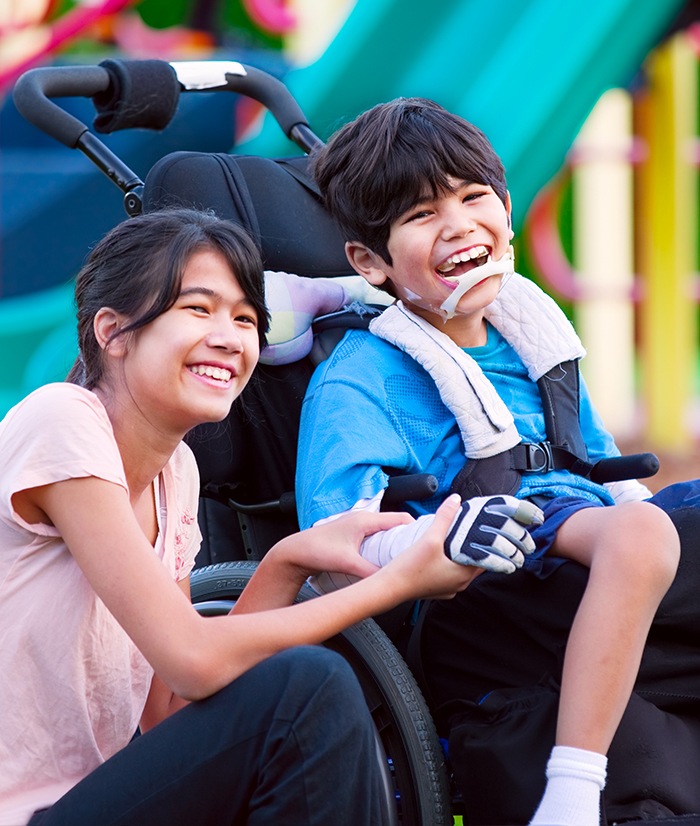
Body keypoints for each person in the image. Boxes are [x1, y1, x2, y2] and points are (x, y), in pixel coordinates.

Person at [0, 207, 504, 826]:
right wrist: (399, 583)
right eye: (198, 309)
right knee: (308, 688)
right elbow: (193, 656)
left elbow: (169, 708)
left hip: (87, 803)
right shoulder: (62, 420)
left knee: (302, 702)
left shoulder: (175, 473)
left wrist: (286, 562)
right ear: (113, 330)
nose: (230, 337)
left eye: (245, 318)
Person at [295, 98, 686, 825]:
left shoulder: (529, 336)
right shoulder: (364, 375)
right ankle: (571, 793)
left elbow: (601, 469)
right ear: (369, 262)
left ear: (506, 209)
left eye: (473, 197)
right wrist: (430, 539)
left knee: (665, 521)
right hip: (488, 570)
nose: (457, 224)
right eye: (420, 216)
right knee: (644, 536)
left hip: (585, 536)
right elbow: (332, 539)